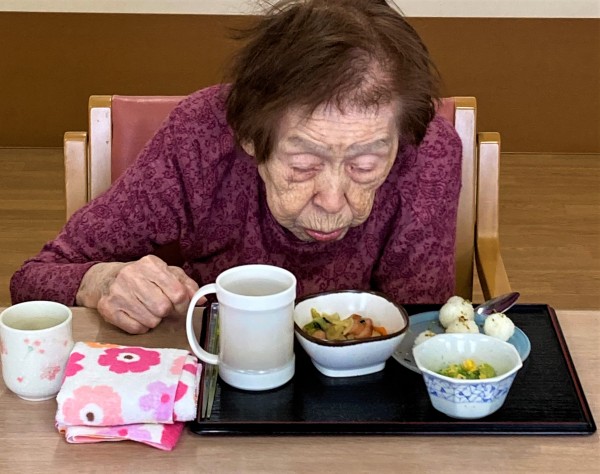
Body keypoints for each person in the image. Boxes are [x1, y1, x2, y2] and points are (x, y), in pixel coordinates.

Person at [10, 0, 462, 334]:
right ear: (248, 136)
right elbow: (34, 278)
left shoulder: (426, 151)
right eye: (304, 163)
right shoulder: (200, 137)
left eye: (364, 165)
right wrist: (101, 280)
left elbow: (421, 324)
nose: (331, 199)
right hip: (212, 371)